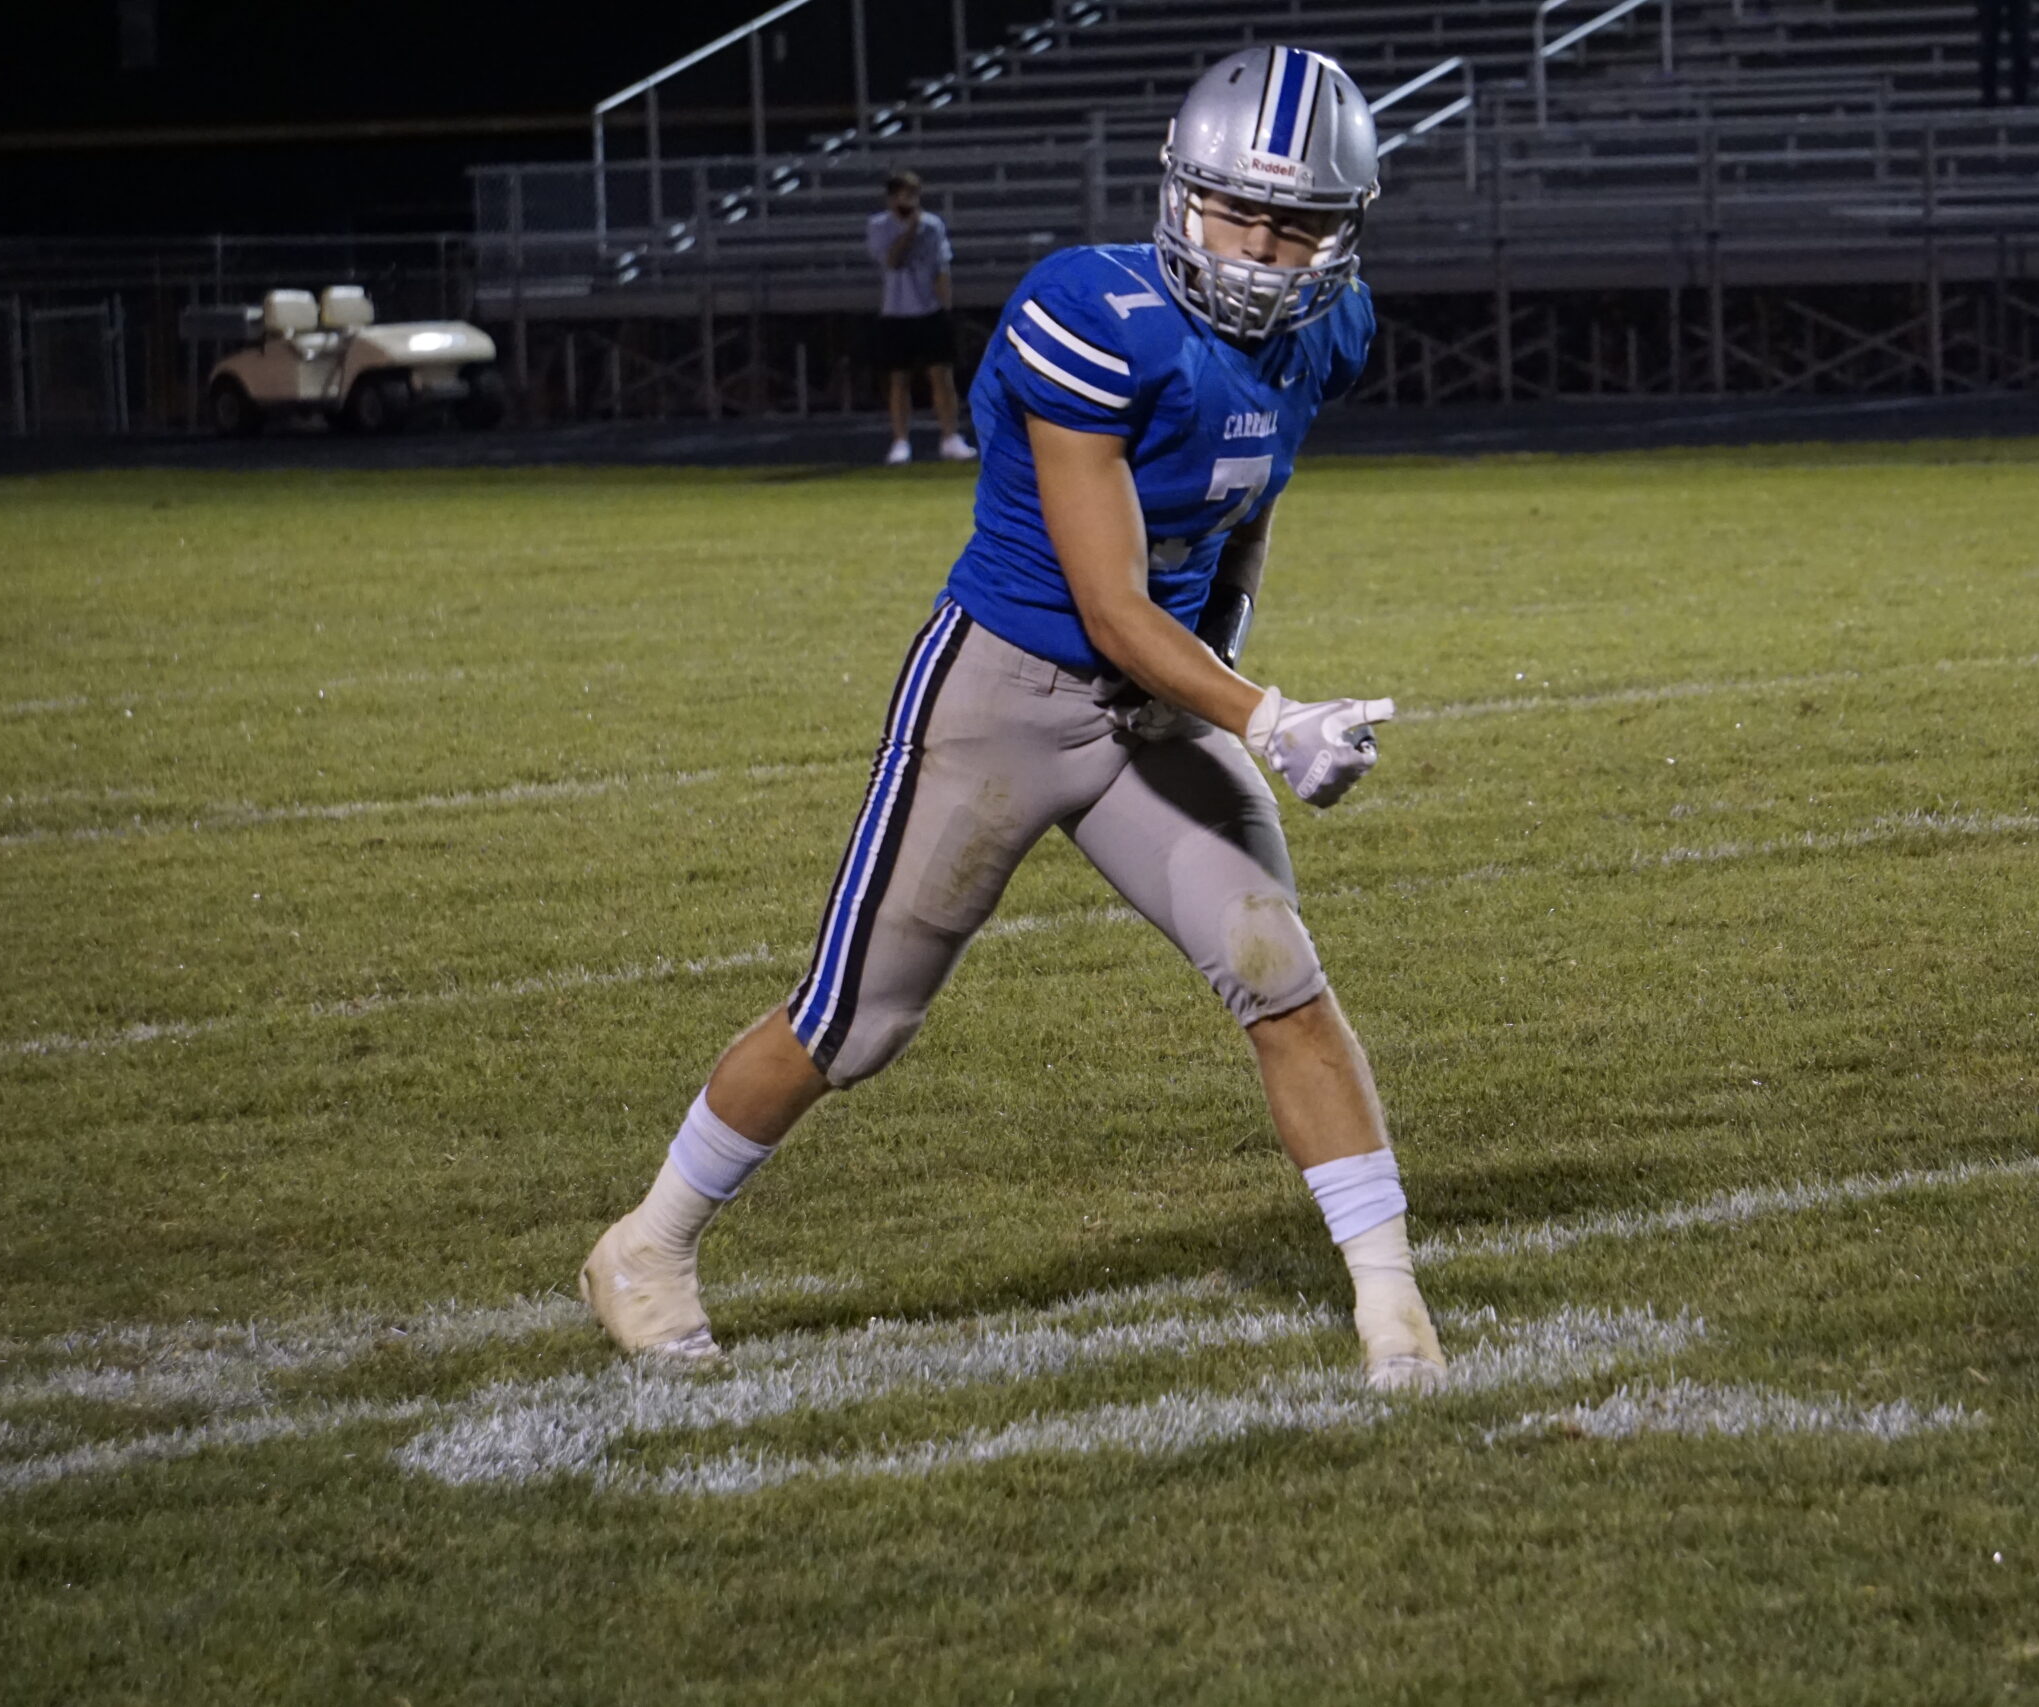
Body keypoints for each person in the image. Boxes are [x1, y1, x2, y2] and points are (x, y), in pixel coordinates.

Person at [584, 48, 1446, 1392]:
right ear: (1180, 192)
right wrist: (1263, 710)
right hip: (1004, 694)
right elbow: (1107, 603)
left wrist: (1225, 642)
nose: (1267, 253)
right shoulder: (1089, 313)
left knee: (1280, 972)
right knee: (853, 1018)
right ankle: (645, 1243)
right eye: (1240, 213)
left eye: (1299, 226)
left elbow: (1245, 495)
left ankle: (1392, 1306)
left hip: (1157, 706)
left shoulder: (1331, 329)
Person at [867, 169, 975, 464]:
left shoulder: (934, 225)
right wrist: (910, 230)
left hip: (929, 309)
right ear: (892, 198)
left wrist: (946, 306)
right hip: (896, 310)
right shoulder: (879, 226)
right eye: (904, 194)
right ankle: (901, 440)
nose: (911, 200)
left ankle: (950, 437)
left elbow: (942, 266)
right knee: (899, 378)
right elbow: (892, 261)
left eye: (914, 194)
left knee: (941, 375)